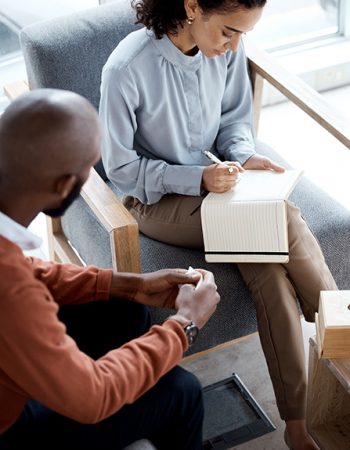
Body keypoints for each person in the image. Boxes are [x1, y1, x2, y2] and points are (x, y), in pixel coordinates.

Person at [99, 1, 338, 449]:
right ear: (192, 7)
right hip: (154, 200)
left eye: (242, 34)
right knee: (280, 217)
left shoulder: (226, 51)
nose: (234, 45)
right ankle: (339, 326)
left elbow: (232, 120)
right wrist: (196, 178)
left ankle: (297, 425)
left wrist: (241, 153)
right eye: (229, 31)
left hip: (219, 185)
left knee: (266, 266)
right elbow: (121, 170)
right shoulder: (127, 68)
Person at [0, 89, 220, 450]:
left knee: (124, 309)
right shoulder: (10, 292)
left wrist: (125, 284)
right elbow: (92, 397)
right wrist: (185, 326)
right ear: (63, 186)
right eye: (90, 167)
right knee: (182, 392)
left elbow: (28, 271)